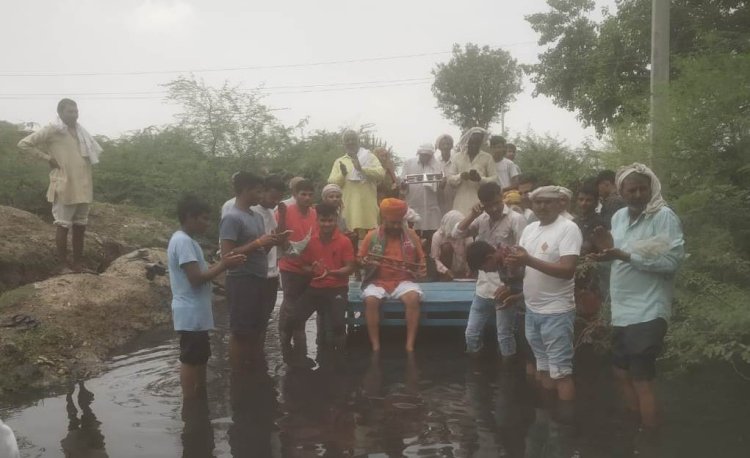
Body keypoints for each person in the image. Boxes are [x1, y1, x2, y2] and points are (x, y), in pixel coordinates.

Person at [591, 163, 685, 438]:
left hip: (649, 308)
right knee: (620, 373)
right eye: (631, 189)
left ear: (651, 188)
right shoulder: (619, 217)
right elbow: (617, 255)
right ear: (621, 191)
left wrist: (625, 256)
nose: (637, 194)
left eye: (642, 188)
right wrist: (607, 254)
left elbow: (672, 262)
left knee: (641, 379)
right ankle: (636, 431)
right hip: (622, 309)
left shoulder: (663, 216)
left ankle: (651, 442)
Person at [506, 186, 582, 406]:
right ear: (531, 204)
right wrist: (513, 265)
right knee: (544, 367)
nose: (542, 206)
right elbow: (524, 269)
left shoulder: (568, 228)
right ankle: (550, 414)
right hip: (532, 310)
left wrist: (527, 260)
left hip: (557, 311)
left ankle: (565, 424)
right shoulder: (529, 230)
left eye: (548, 202)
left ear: (560, 203)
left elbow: (568, 270)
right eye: (538, 202)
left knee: (562, 372)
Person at [168, 195, 246, 398]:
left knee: (200, 357)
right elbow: (195, 278)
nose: (207, 223)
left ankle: (199, 394)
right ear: (189, 217)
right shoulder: (183, 242)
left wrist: (222, 264)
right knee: (190, 358)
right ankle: (190, 401)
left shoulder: (187, 241)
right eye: (203, 218)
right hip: (190, 312)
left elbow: (201, 272)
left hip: (196, 311)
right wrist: (224, 265)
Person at [17, 98, 102, 272]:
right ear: (60, 113)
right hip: (64, 183)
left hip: (83, 184)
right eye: (70, 111)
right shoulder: (53, 130)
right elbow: (24, 144)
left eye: (76, 111)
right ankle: (63, 265)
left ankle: (78, 264)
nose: (74, 114)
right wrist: (47, 158)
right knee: (63, 225)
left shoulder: (81, 132)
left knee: (80, 226)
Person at [454, 182, 527, 361]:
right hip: (483, 287)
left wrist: (515, 285)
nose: (493, 208)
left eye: (496, 202)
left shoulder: (516, 219)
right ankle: (475, 372)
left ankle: (507, 377)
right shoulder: (481, 219)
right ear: (482, 204)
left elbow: (524, 252)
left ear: (502, 197)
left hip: (506, 286)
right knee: (471, 334)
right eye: (488, 205)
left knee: (504, 335)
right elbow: (456, 234)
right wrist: (473, 214)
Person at [220, 172, 282, 369]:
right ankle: (238, 374)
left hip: (260, 280)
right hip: (241, 281)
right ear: (245, 190)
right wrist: (257, 243)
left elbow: (260, 250)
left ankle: (254, 368)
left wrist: (271, 242)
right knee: (240, 332)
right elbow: (227, 256)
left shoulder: (256, 217)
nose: (261, 194)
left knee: (258, 328)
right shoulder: (231, 217)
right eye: (258, 190)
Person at [284, 203, 356, 365]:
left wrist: (331, 272)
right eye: (323, 221)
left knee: (338, 323)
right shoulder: (310, 241)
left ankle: (341, 358)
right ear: (317, 220)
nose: (326, 224)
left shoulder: (344, 241)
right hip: (315, 287)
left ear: (335, 220)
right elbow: (303, 265)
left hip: (337, 288)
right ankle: (289, 353)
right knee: (293, 318)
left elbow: (350, 267)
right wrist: (312, 269)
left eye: (330, 221)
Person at [358, 198, 426, 352]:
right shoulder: (372, 236)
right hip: (377, 281)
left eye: (399, 222)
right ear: (384, 219)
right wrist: (366, 262)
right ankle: (375, 345)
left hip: (404, 281)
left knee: (413, 298)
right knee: (371, 300)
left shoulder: (411, 235)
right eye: (392, 223)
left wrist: (421, 269)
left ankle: (409, 345)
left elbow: (421, 258)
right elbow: (360, 259)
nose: (396, 226)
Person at [276, 179, 318, 364]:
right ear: (295, 195)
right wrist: (283, 218)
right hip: (290, 267)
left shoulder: (315, 214)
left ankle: (299, 346)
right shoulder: (284, 211)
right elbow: (278, 237)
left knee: (302, 306)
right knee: (290, 304)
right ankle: (284, 342)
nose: (307, 198)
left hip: (309, 268)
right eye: (303, 194)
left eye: (310, 194)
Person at [250, 176, 286, 346]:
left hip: (271, 271)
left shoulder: (272, 211)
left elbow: (275, 236)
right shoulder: (251, 211)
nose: (275, 202)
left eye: (279, 198)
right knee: (252, 319)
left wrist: (284, 216)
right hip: (255, 272)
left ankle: (258, 353)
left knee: (265, 317)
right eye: (273, 197)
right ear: (262, 191)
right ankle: (249, 358)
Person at [328, 130, 385, 235]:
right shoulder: (339, 161)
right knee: (350, 245)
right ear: (344, 144)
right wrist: (343, 174)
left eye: (353, 139)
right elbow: (332, 184)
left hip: (368, 211)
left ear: (358, 141)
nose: (350, 142)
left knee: (370, 247)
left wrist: (362, 169)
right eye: (347, 140)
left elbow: (381, 174)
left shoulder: (369, 157)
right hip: (348, 210)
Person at [446, 127, 497, 217]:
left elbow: (494, 179)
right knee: (460, 226)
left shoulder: (487, 157)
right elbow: (450, 179)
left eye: (478, 142)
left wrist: (480, 179)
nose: (475, 144)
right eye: (473, 142)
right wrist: (461, 176)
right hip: (461, 201)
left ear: (481, 142)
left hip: (481, 201)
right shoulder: (457, 157)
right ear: (467, 141)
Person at [401, 143, 443, 241]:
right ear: (419, 153)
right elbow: (402, 184)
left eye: (427, 155)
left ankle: (430, 255)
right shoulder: (409, 163)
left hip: (431, 206)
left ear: (431, 155)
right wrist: (403, 184)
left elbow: (441, 185)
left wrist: (441, 182)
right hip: (413, 205)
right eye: (422, 154)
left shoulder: (437, 165)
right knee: (412, 235)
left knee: (431, 235)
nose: (424, 157)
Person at [430, 210, 471, 280]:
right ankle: (445, 277)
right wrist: (445, 270)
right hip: (446, 270)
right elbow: (435, 258)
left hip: (462, 269)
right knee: (446, 247)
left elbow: (471, 251)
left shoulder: (465, 233)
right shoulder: (437, 236)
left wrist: (470, 269)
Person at [574, 180, 608, 255]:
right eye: (581, 199)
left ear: (596, 203)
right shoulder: (574, 221)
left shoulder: (599, 223)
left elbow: (585, 249)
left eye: (588, 200)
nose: (583, 203)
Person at [435, 133, 456, 215]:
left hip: (455, 194)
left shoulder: (456, 160)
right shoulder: (435, 162)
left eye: (448, 144)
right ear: (439, 147)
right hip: (441, 197)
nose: (446, 147)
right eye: (443, 144)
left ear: (451, 146)